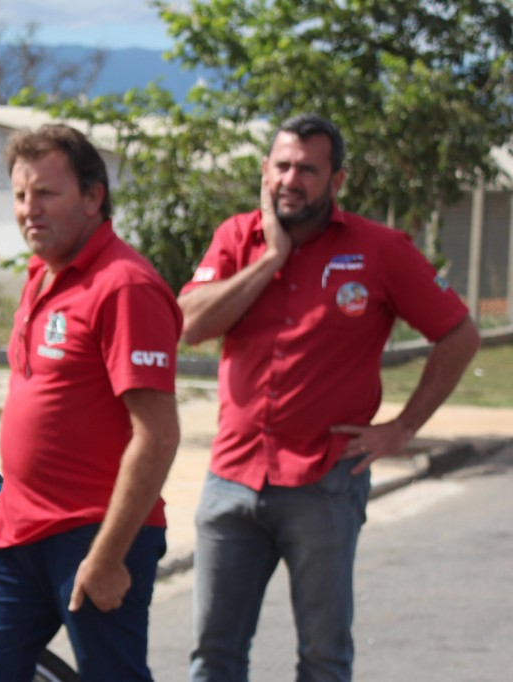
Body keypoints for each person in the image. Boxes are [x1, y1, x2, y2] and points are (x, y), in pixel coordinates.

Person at [179, 113, 480, 681]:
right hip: (232, 479)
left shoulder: (380, 249)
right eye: (283, 166)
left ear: (336, 181)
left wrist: (403, 428)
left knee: (323, 658)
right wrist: (270, 258)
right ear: (265, 170)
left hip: (325, 484)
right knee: (213, 656)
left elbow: (460, 335)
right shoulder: (236, 238)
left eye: (308, 170)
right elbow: (190, 322)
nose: (292, 179)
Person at [0, 124, 182, 681]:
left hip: (94, 535)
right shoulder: (41, 272)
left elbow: (156, 435)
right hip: (14, 532)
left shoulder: (125, 285)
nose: (28, 209)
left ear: (92, 197)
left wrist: (108, 557)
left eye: (46, 193)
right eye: (20, 195)